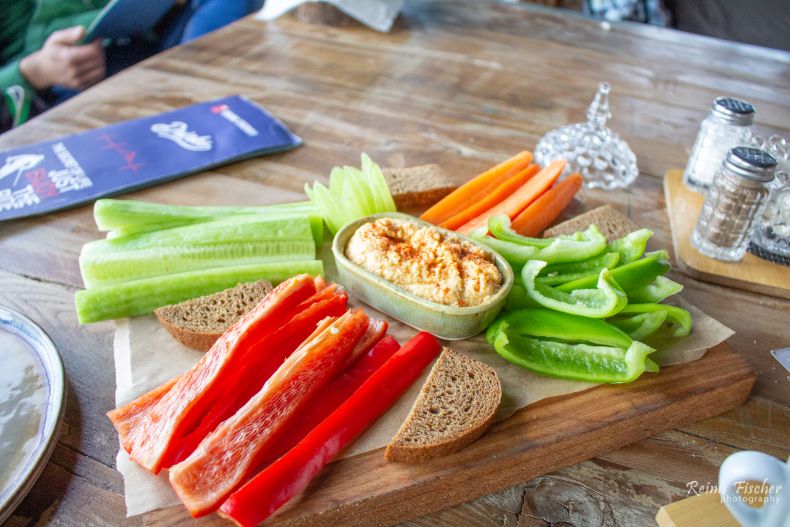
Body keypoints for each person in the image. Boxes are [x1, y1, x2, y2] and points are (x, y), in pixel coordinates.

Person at [1, 0, 263, 132]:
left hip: (146, 35)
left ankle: (193, 103)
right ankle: (193, 107)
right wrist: (34, 71)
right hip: (55, 88)